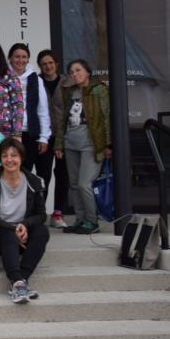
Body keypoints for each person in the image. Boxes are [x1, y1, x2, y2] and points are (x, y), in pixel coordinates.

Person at [0, 138, 50, 304]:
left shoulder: (34, 181)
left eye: (14, 155)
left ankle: (20, 281)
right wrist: (11, 229)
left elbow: (41, 215)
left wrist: (24, 225)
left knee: (42, 231)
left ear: (22, 158)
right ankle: (17, 282)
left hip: (21, 235)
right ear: (0, 158)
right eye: (4, 156)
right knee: (7, 234)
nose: (9, 160)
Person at [51, 58, 111, 235]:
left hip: (91, 144)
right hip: (71, 143)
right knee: (75, 185)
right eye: (71, 72)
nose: (74, 74)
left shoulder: (98, 89)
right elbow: (63, 120)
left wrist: (109, 144)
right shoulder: (70, 92)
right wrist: (59, 144)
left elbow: (106, 117)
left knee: (85, 184)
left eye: (78, 70)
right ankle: (80, 219)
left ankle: (92, 221)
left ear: (87, 72)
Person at [37, 48, 69, 227]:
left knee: (62, 174)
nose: (48, 66)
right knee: (44, 176)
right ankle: (41, 213)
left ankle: (58, 213)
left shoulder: (67, 82)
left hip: (64, 135)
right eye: (44, 64)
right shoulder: (37, 82)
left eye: (50, 63)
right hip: (44, 135)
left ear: (56, 64)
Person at [8, 43, 52, 168]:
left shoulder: (35, 79)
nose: (20, 60)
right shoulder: (3, 77)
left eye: (24, 57)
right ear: (10, 58)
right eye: (17, 56)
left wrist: (44, 137)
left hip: (30, 133)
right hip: (8, 133)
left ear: (28, 59)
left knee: (26, 172)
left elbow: (42, 109)